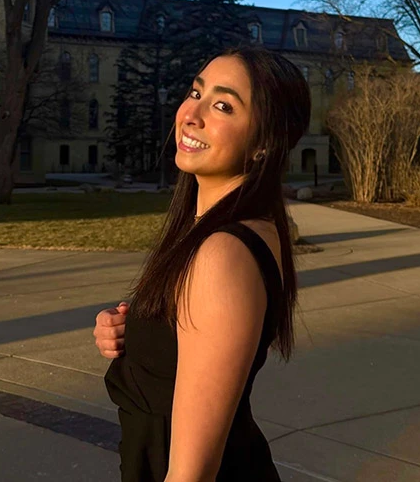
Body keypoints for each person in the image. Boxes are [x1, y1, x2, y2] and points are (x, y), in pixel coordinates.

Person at [94, 46, 311, 481]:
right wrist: (137, 331)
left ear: (265, 143)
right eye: (196, 92)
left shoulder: (221, 255)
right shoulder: (228, 231)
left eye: (223, 105)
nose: (191, 114)